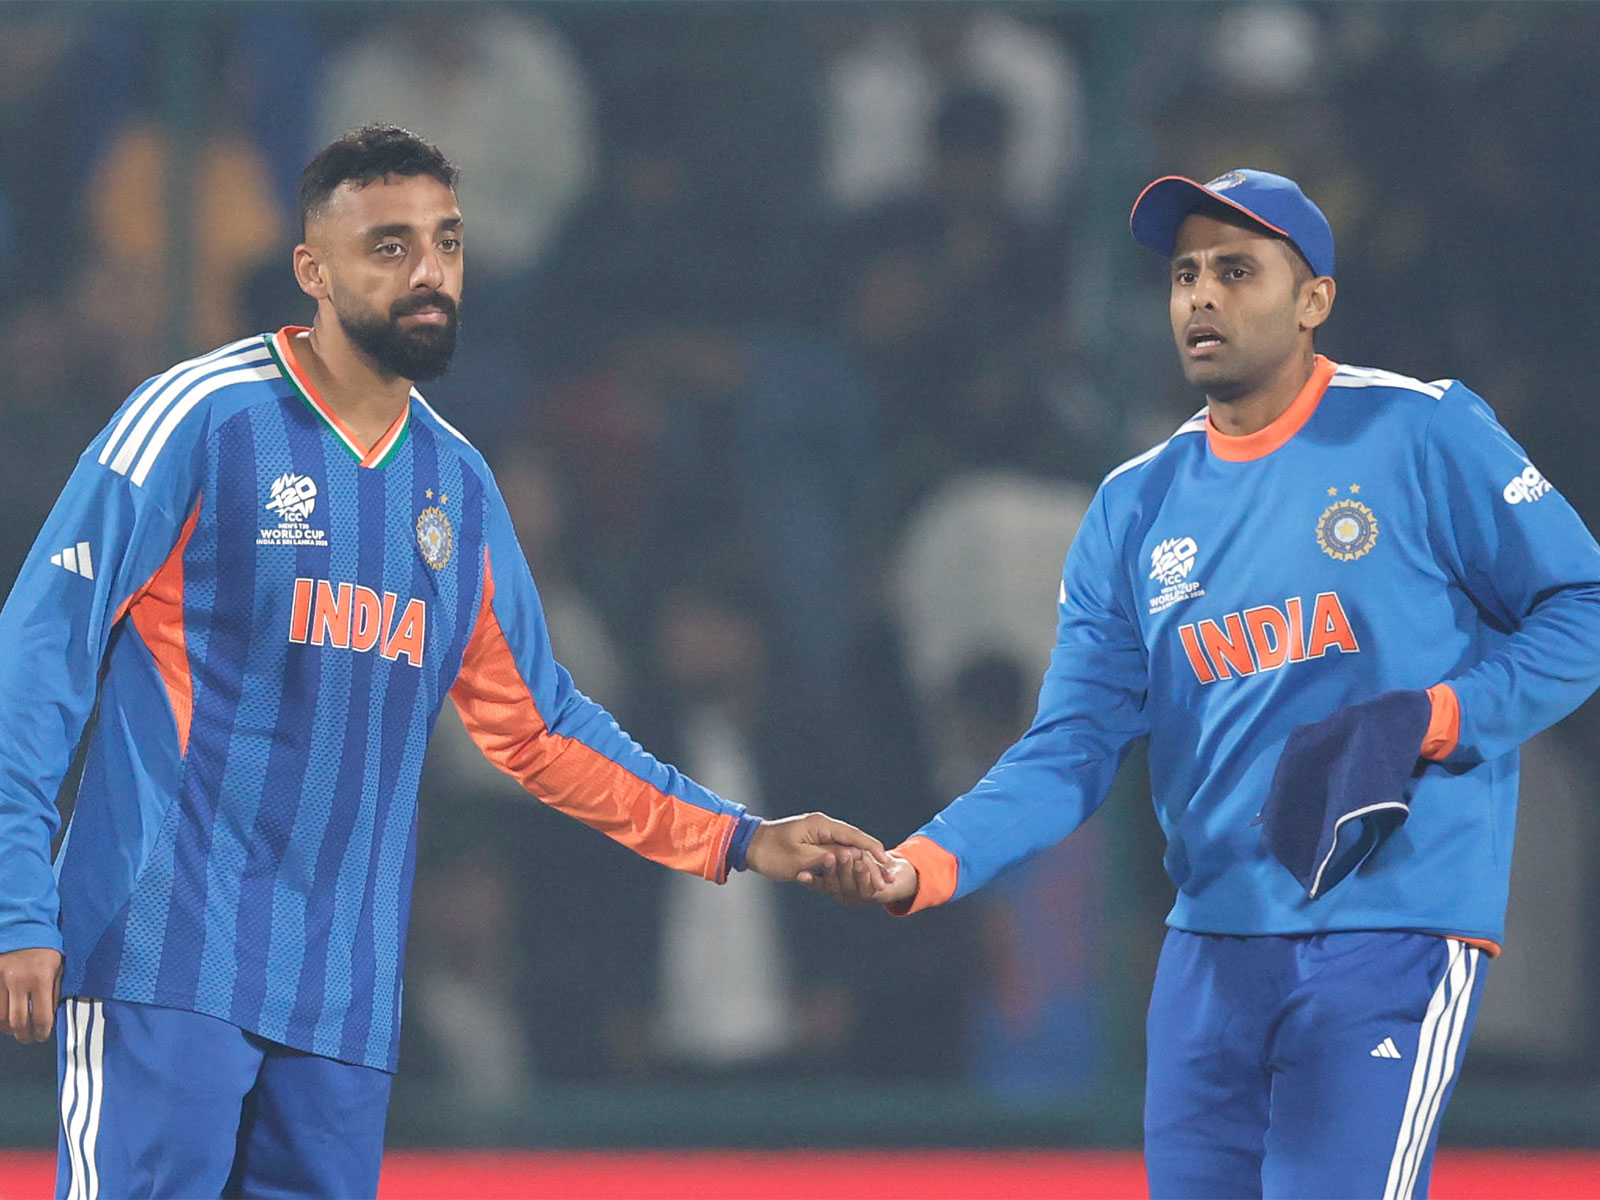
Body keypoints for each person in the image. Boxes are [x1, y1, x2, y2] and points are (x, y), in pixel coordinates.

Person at [0, 124, 885, 1200]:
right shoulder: (199, 418)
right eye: (389, 246)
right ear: (312, 272)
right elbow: (38, 655)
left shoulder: (456, 489)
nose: (428, 273)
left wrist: (740, 838)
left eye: (447, 243)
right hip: (161, 954)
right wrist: (18, 906)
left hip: (341, 998)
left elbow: (540, 729)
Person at [811, 169, 1600, 1198]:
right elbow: (1071, 747)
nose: (1199, 297)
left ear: (1314, 298)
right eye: (1184, 274)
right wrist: (925, 863)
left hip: (1389, 929)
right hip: (1209, 951)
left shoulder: (1420, 433)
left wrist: (1437, 716)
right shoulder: (1133, 507)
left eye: (1235, 269)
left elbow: (1579, 608)